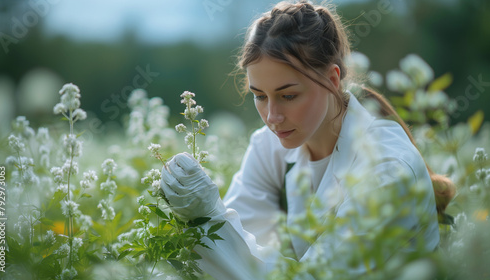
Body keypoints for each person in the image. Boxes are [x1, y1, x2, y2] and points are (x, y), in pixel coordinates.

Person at [160, 1, 456, 279]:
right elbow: (247, 248)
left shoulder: (387, 168)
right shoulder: (270, 145)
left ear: (333, 80)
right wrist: (201, 222)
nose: (272, 116)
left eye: (288, 95)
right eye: (259, 97)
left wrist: (210, 217)